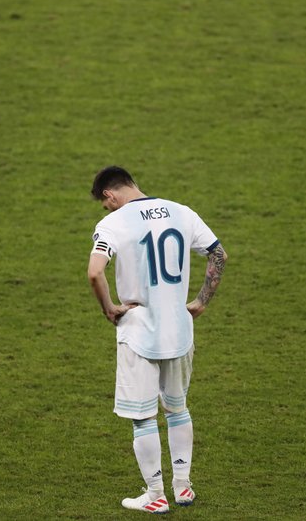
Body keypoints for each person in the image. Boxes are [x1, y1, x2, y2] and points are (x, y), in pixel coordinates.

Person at [87, 166, 227, 514]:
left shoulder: (112, 224)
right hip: (179, 329)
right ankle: (183, 487)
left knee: (143, 417)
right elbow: (219, 255)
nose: (107, 209)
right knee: (177, 408)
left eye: (105, 203)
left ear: (109, 195)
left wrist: (109, 308)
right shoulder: (182, 212)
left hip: (139, 332)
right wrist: (201, 302)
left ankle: (155, 495)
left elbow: (94, 272)